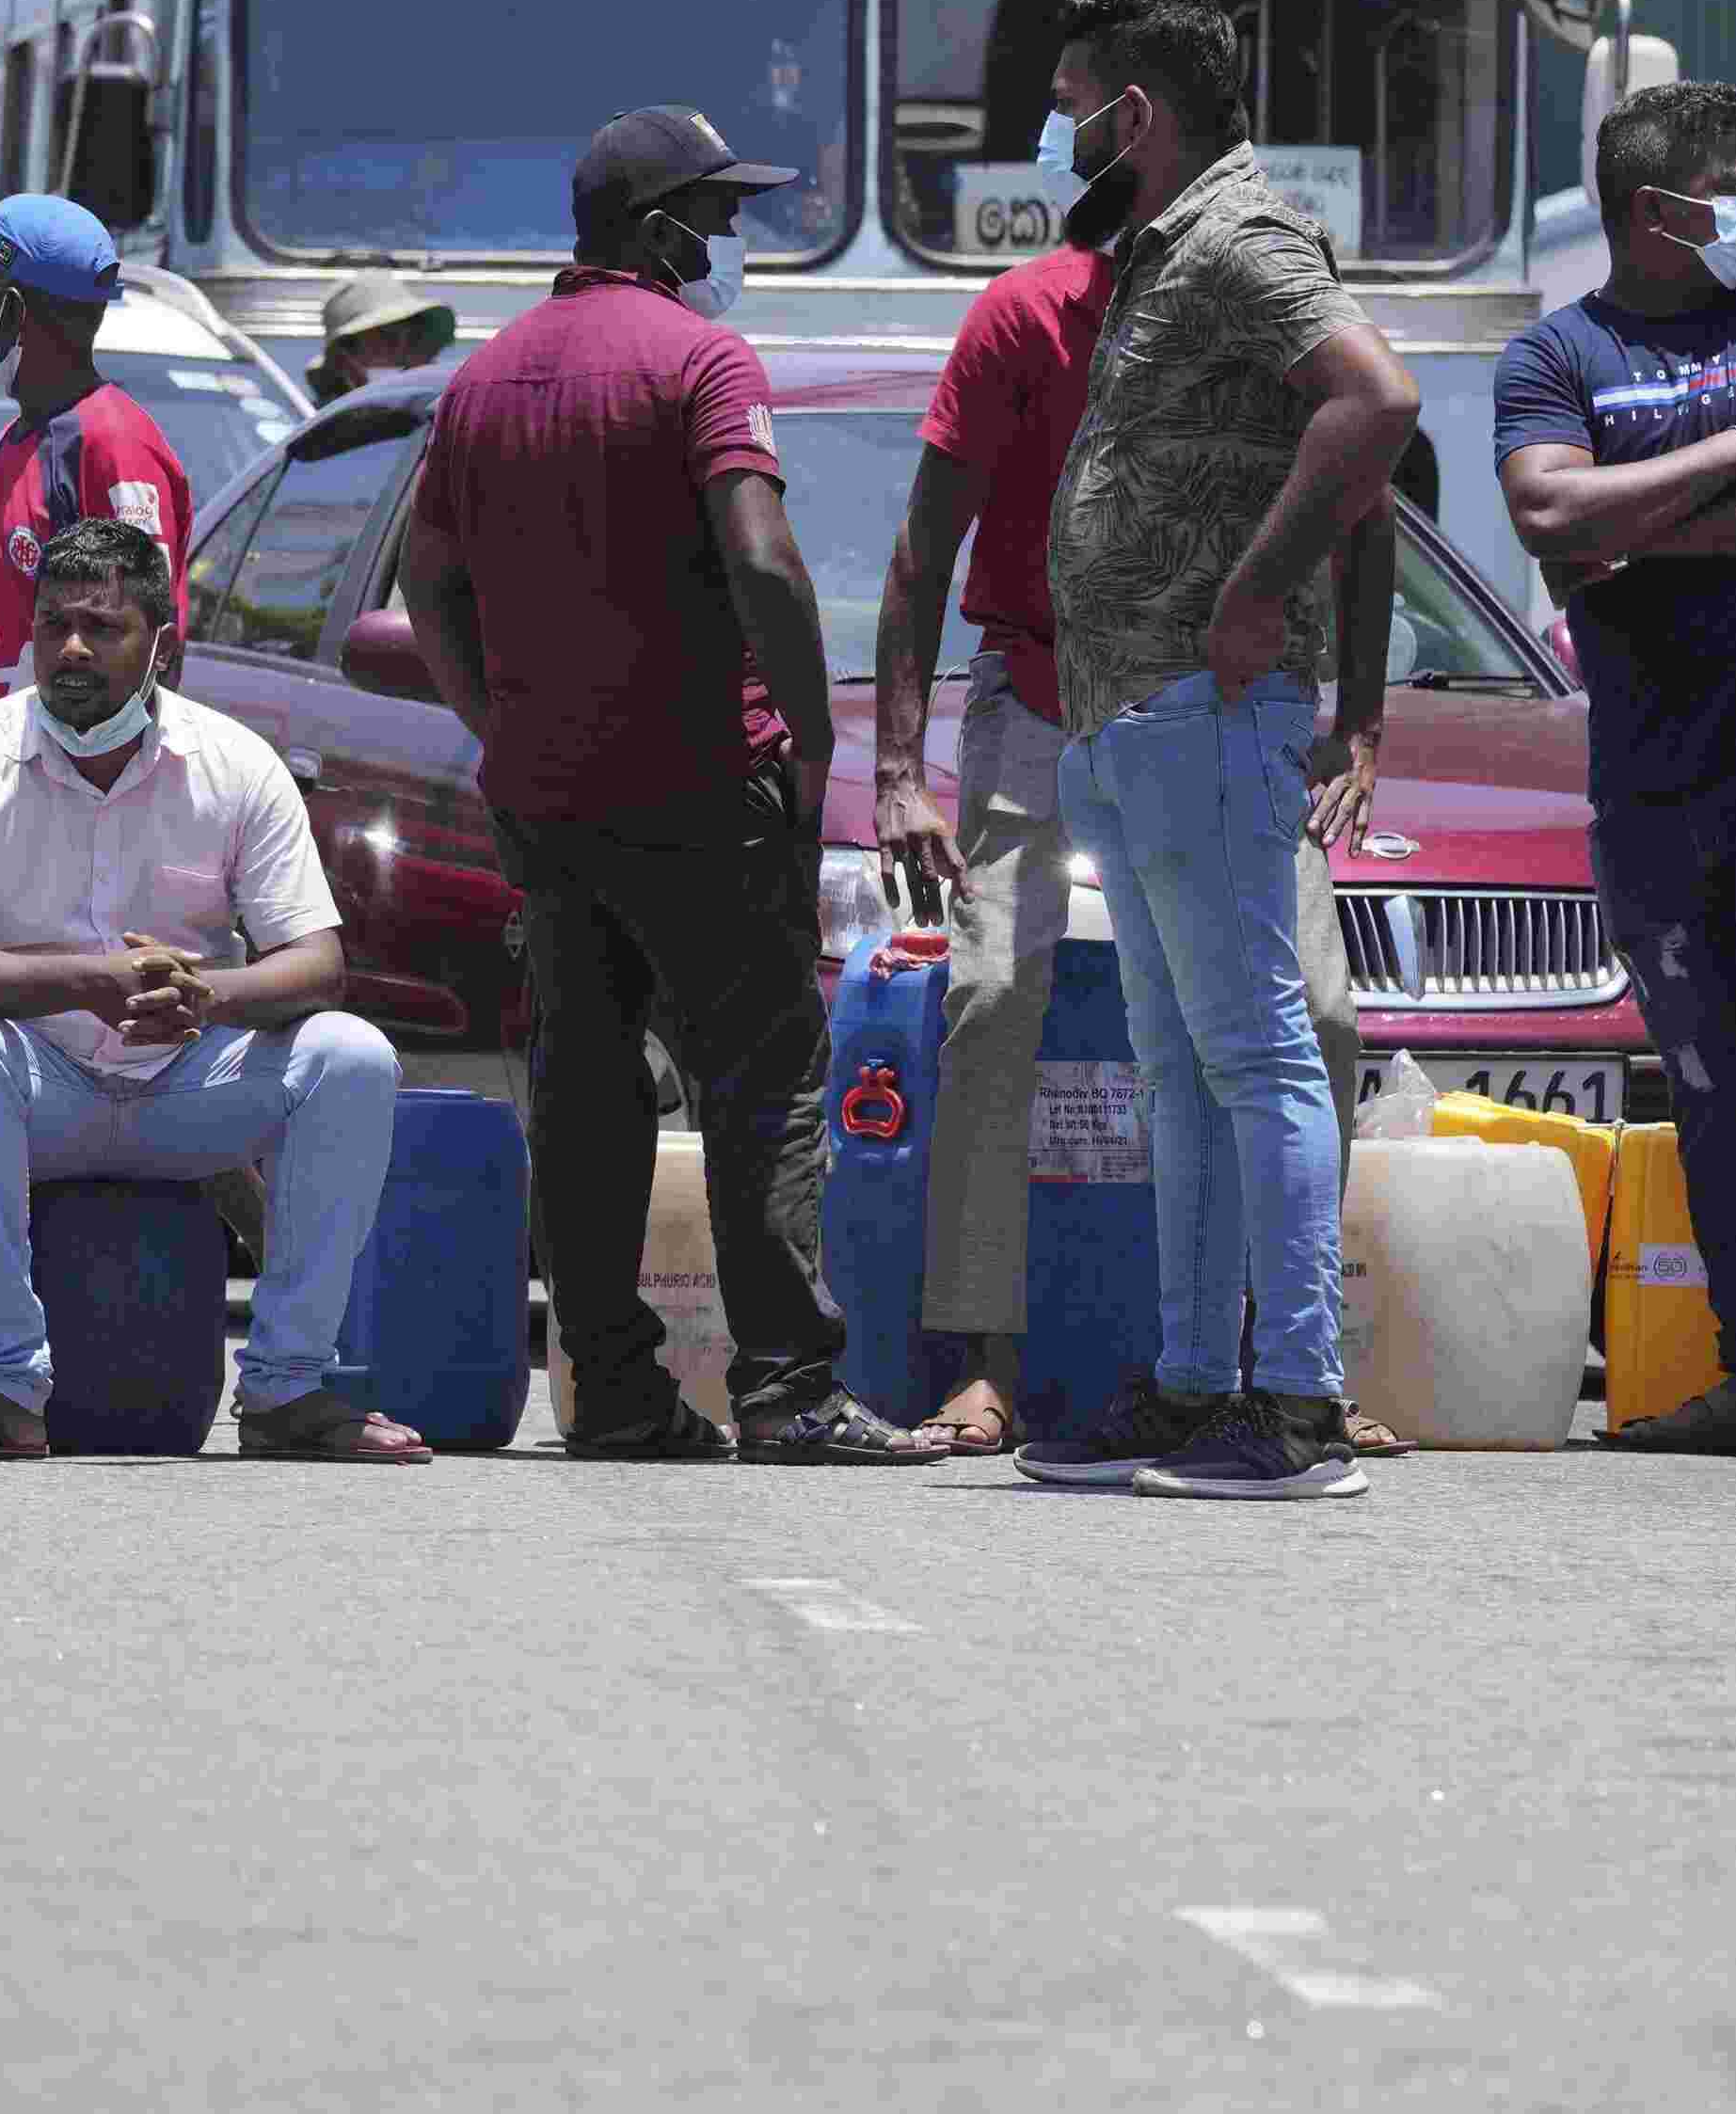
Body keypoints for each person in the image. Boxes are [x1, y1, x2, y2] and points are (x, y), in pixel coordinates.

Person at [401, 105, 939, 1465]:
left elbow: (427, 580)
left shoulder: (485, 378)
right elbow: (761, 559)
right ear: (659, 232)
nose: (736, 243)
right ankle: (787, 1389)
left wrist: (496, 725)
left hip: (553, 806)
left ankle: (617, 1387)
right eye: (723, 216)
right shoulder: (702, 359)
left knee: (586, 1090)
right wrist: (813, 747)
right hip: (704, 791)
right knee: (764, 1082)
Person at [868, 187, 1393, 1460]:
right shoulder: (1024, 315)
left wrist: (1362, 726)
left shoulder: (1269, 316)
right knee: (995, 992)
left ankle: (1296, 1371)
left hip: (1211, 715)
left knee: (1312, 1012)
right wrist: (898, 765)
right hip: (1043, 697)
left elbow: (1364, 524)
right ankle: (985, 1358)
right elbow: (925, 547)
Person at [1006, 0, 1420, 1502]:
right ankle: (1195, 1384)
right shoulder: (1161, 245)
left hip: (1206, 711)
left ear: (1134, 114)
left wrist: (1255, 594)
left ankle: (1297, 1404)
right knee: (1181, 1072)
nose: (1056, 140)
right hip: (1138, 724)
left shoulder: (1241, 234)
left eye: (1067, 113)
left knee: (1252, 1061)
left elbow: (1376, 403)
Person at [1499, 86, 1736, 1469]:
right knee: (1709, 1072)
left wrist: (1639, 521)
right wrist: (1733, 451)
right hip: (1651, 779)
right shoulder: (1555, 353)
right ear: (1659, 213)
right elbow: (1543, 509)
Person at [0, 517, 410, 1458]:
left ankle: (287, 1390)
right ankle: (4, 1391)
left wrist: (213, 998)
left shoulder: (233, 762)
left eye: (103, 627)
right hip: (41, 1089)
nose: (72, 649)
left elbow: (317, 963)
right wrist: (85, 981)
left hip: (188, 1091)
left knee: (351, 1057)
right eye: (53, 626)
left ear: (163, 644)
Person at [0, 192, 193, 713]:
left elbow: (145, 649)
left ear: (13, 310)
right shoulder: (21, 438)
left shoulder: (111, 444)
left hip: (68, 786)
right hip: (9, 774)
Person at [307, 268, 454, 400]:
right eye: (388, 337)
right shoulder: (320, 426)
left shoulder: (447, 416)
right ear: (344, 357)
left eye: (414, 337)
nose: (403, 349)